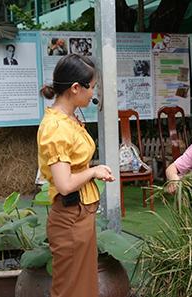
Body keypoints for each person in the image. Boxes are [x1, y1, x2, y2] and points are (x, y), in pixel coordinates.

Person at [37, 54, 115, 297]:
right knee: (71, 290)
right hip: (71, 216)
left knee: (83, 287)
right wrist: (94, 171)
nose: (93, 93)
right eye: (92, 87)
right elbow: (64, 184)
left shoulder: (69, 118)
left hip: (80, 215)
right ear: (75, 88)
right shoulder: (56, 128)